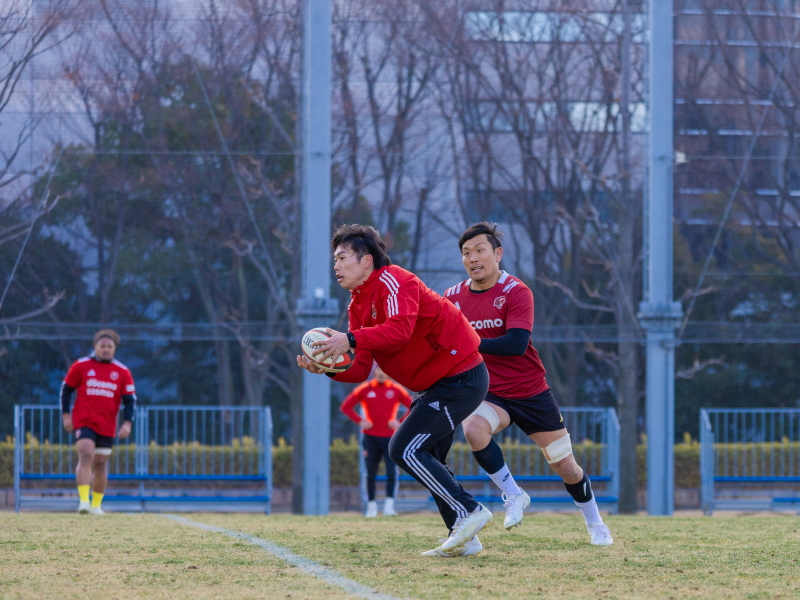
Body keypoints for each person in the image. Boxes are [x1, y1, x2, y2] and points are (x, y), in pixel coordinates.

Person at [297, 223, 492, 557]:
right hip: (437, 385)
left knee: (404, 448)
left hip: (461, 376)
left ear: (367, 261)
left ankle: (470, 511)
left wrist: (352, 339)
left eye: (343, 258)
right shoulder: (357, 305)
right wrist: (327, 368)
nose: (337, 266)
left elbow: (399, 331)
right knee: (429, 457)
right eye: (335, 259)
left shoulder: (396, 279)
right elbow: (360, 369)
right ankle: (465, 538)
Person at [444, 222, 614, 546]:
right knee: (473, 429)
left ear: (497, 253)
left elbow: (517, 343)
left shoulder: (516, 291)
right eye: (466, 253)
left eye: (479, 250)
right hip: (489, 390)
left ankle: (595, 523)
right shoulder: (452, 297)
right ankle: (513, 495)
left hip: (530, 391)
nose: (472, 258)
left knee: (566, 467)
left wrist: (469, 342)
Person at [61, 329, 137, 515]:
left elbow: (130, 400)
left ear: (114, 349)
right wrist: (66, 416)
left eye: (109, 347)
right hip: (84, 420)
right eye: (102, 346)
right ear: (95, 346)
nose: (105, 349)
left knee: (101, 463)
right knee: (86, 454)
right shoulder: (81, 365)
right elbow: (66, 390)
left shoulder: (122, 371)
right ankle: (83, 502)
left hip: (107, 424)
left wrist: (127, 423)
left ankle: (96, 505)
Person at [340, 365, 412, 517]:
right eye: (379, 370)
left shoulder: (396, 389)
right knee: (370, 473)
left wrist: (400, 421)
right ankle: (371, 507)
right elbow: (346, 407)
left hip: (391, 438)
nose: (382, 373)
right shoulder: (364, 389)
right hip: (370, 437)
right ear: (374, 372)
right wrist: (361, 421)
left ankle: (389, 507)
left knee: (391, 472)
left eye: (385, 370)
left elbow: (413, 405)